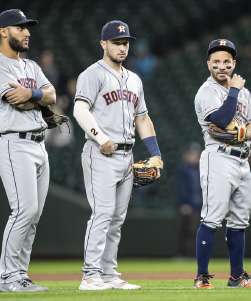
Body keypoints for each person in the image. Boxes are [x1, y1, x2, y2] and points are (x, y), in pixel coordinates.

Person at [73, 20, 162, 290]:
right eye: (116, 42)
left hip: (127, 155)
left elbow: (143, 118)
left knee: (117, 218)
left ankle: (109, 273)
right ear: (104, 44)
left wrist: (155, 154)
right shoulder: (93, 73)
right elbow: (79, 109)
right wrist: (100, 137)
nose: (122, 47)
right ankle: (90, 276)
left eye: (125, 43)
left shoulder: (134, 79)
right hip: (100, 152)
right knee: (102, 213)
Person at [193, 39, 251, 289]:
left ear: (234, 63)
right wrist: (233, 90)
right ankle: (201, 277)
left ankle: (237, 277)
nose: (221, 66)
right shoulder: (207, 91)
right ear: (208, 65)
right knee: (212, 217)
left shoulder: (245, 92)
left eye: (226, 62)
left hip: (242, 158)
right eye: (216, 62)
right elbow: (223, 119)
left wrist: (242, 133)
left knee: (239, 221)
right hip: (219, 156)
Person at [0, 9, 56, 292]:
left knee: (33, 216)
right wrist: (38, 99)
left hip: (39, 144)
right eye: (19, 27)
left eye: (27, 27)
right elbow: (15, 101)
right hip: (13, 142)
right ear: (3, 32)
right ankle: (7, 278)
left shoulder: (31, 66)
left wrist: (33, 95)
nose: (27, 32)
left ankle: (20, 275)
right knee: (24, 210)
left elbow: (51, 96)